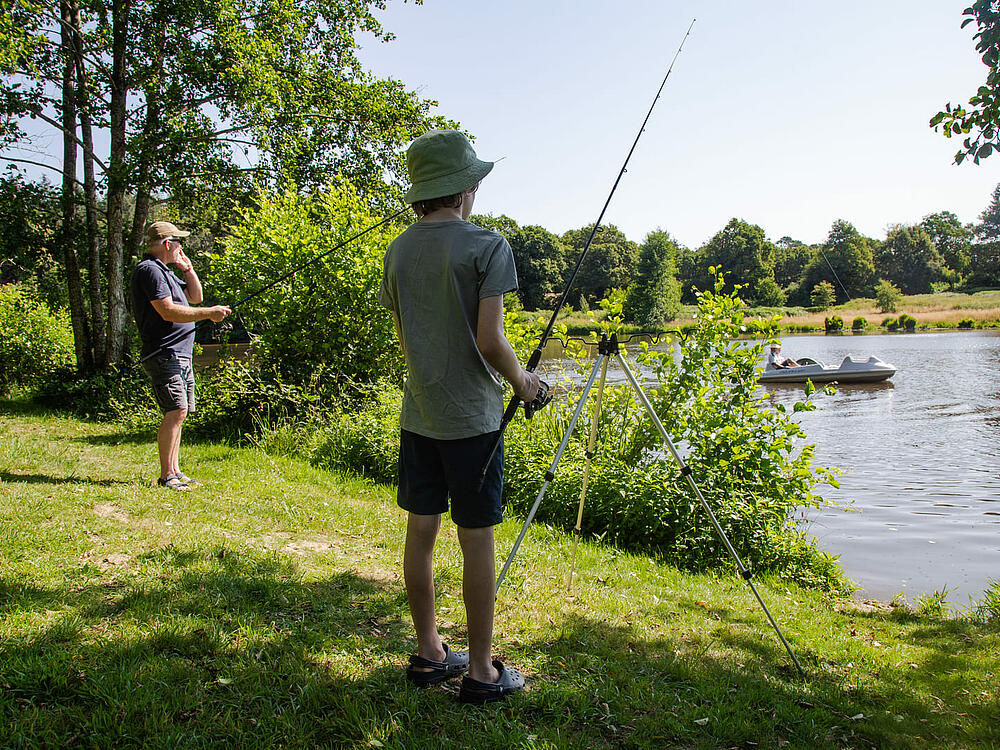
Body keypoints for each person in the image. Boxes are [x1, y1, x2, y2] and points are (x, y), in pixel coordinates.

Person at [380, 130, 540, 704]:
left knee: (420, 531)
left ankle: (429, 653)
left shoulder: (397, 250)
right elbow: (491, 340)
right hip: (474, 421)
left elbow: (407, 339)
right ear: (465, 188)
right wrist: (524, 383)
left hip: (419, 413)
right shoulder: (488, 246)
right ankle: (480, 671)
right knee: (476, 539)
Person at [131, 221, 231, 490]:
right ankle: (167, 476)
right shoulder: (150, 270)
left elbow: (195, 297)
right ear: (167, 244)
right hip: (164, 352)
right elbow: (167, 311)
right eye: (178, 243)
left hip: (179, 354)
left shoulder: (165, 272)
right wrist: (210, 313)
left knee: (180, 412)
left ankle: (174, 470)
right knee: (175, 410)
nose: (180, 248)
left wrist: (188, 269)